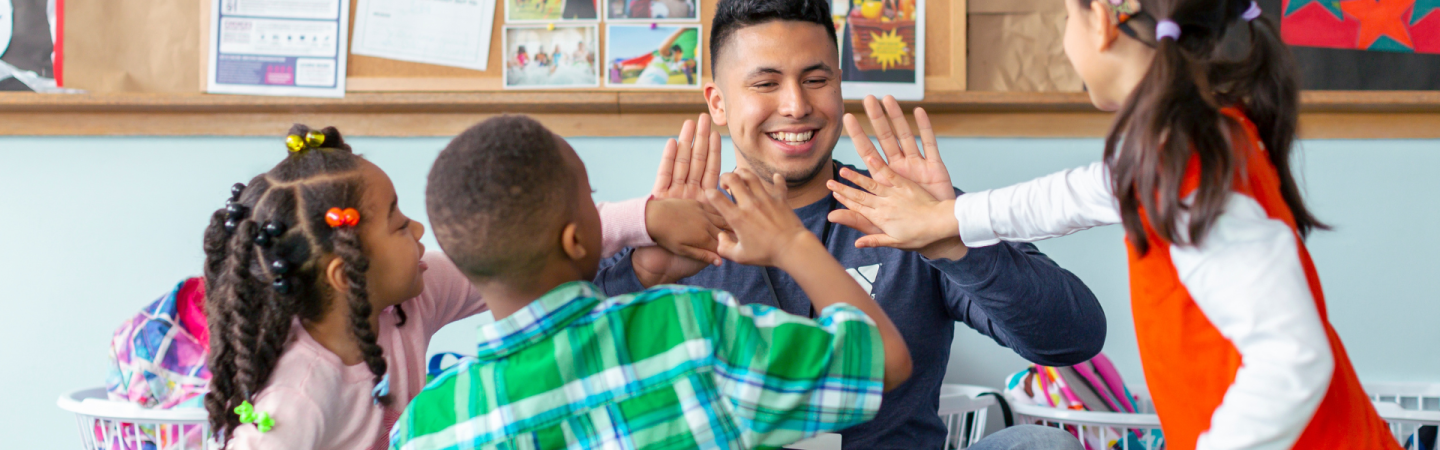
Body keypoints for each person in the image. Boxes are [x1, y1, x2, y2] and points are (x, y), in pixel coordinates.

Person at [826, 0, 1402, 449]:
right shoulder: (1180, 144)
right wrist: (947, 217)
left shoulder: (1190, 171)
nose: (1064, 41)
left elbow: (1294, 357)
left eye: (1065, 20)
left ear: (1100, 23)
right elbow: (1068, 198)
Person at [595, 1, 1104, 448]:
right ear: (719, 103)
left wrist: (949, 236)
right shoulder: (669, 233)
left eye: (817, 80)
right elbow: (558, 371)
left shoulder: (907, 209)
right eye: (766, 83)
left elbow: (1073, 338)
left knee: (1039, 442)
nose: (796, 105)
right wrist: (642, 274)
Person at [388, 115, 912, 450]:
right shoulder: (688, 331)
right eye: (590, 198)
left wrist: (642, 275)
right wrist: (792, 243)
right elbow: (884, 360)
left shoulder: (429, 424)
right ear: (577, 240)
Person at [201, 124, 723, 449]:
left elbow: (527, 243)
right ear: (347, 273)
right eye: (398, 224)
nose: (419, 231)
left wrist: (651, 218)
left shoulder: (406, 302)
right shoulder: (298, 395)